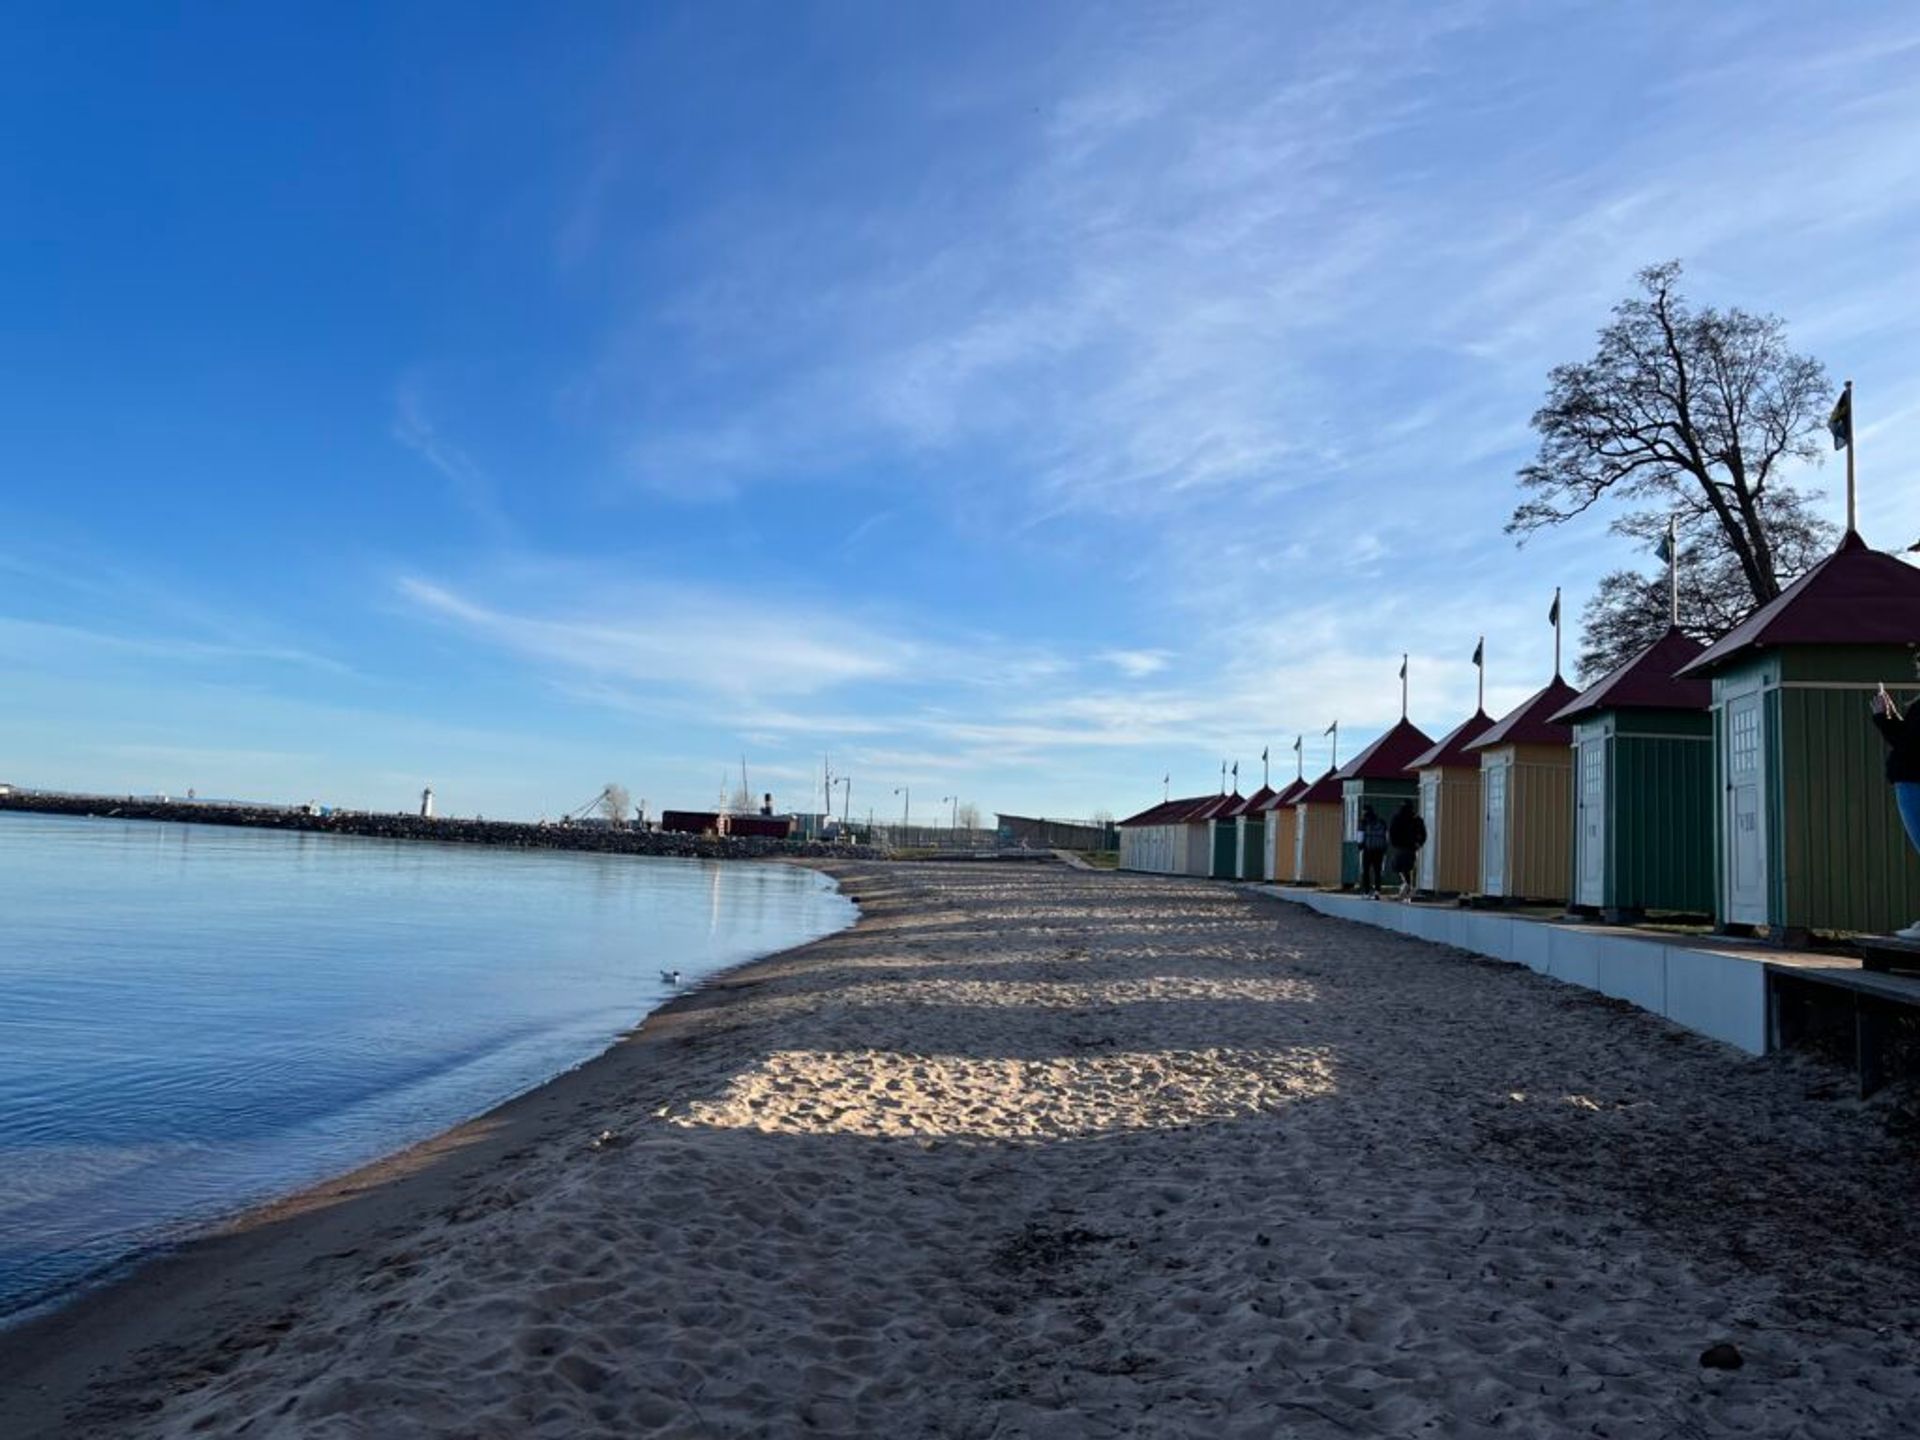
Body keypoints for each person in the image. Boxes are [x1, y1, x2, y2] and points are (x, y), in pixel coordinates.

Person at [1871, 685, 1920, 938]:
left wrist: (1885, 718)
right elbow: (1906, 740)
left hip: (1914, 783)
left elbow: (1909, 746)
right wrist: (1885, 716)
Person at [1387, 798, 1427, 901]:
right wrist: (1419, 843)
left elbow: (1391, 831)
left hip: (1400, 846)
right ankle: (1408, 887)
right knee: (1408, 867)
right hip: (1411, 847)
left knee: (1398, 867)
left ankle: (1407, 886)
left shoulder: (1397, 817)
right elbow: (1423, 833)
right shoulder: (1416, 818)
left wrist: (1393, 843)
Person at [1357, 803, 1389, 896]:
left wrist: (1360, 846)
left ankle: (1367, 891)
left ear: (1364, 811)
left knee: (1366, 871)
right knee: (1377, 871)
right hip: (1379, 850)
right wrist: (1384, 847)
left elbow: (1360, 837)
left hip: (1368, 850)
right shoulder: (1381, 821)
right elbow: (1386, 836)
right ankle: (1377, 891)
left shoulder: (1363, 822)